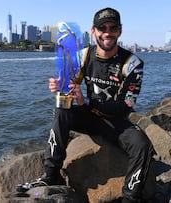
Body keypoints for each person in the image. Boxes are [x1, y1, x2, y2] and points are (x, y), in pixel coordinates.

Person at [43, 7, 155, 203]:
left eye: (112, 28)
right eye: (102, 28)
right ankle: (50, 175)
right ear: (93, 31)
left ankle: (130, 197)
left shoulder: (133, 63)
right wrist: (61, 86)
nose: (107, 33)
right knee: (61, 111)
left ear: (119, 31)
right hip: (89, 116)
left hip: (116, 123)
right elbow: (71, 87)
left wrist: (85, 100)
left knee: (142, 144)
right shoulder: (83, 56)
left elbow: (125, 106)